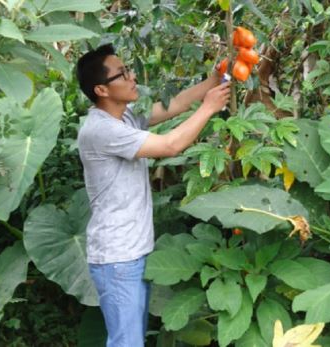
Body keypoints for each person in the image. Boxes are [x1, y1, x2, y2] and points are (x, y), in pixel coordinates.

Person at [75, 43, 230, 347]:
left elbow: (175, 105)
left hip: (131, 253)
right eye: (122, 74)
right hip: (117, 257)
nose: (132, 77)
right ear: (101, 90)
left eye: (128, 69)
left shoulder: (126, 117)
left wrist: (213, 81)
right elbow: (171, 145)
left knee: (130, 340)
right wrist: (210, 107)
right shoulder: (101, 130)